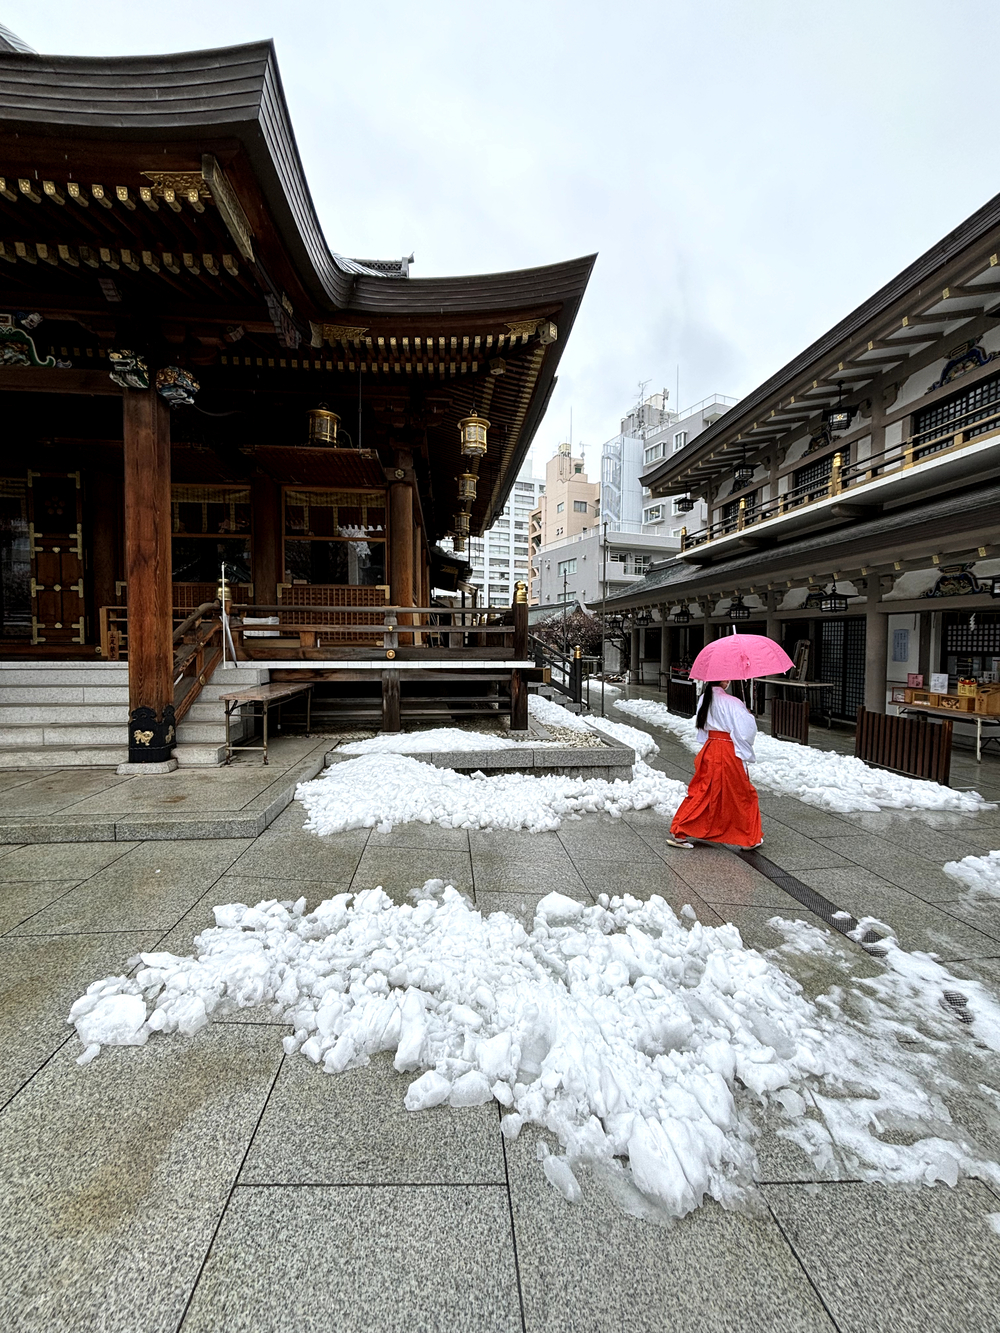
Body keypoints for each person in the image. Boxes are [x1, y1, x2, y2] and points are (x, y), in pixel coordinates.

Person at [665, 678, 762, 849]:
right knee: (742, 793)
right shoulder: (732, 702)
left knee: (703, 791)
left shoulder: (705, 699)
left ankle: (680, 829)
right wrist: (747, 716)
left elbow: (703, 727)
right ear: (724, 680)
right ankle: (747, 837)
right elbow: (745, 732)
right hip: (728, 750)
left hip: (711, 748)